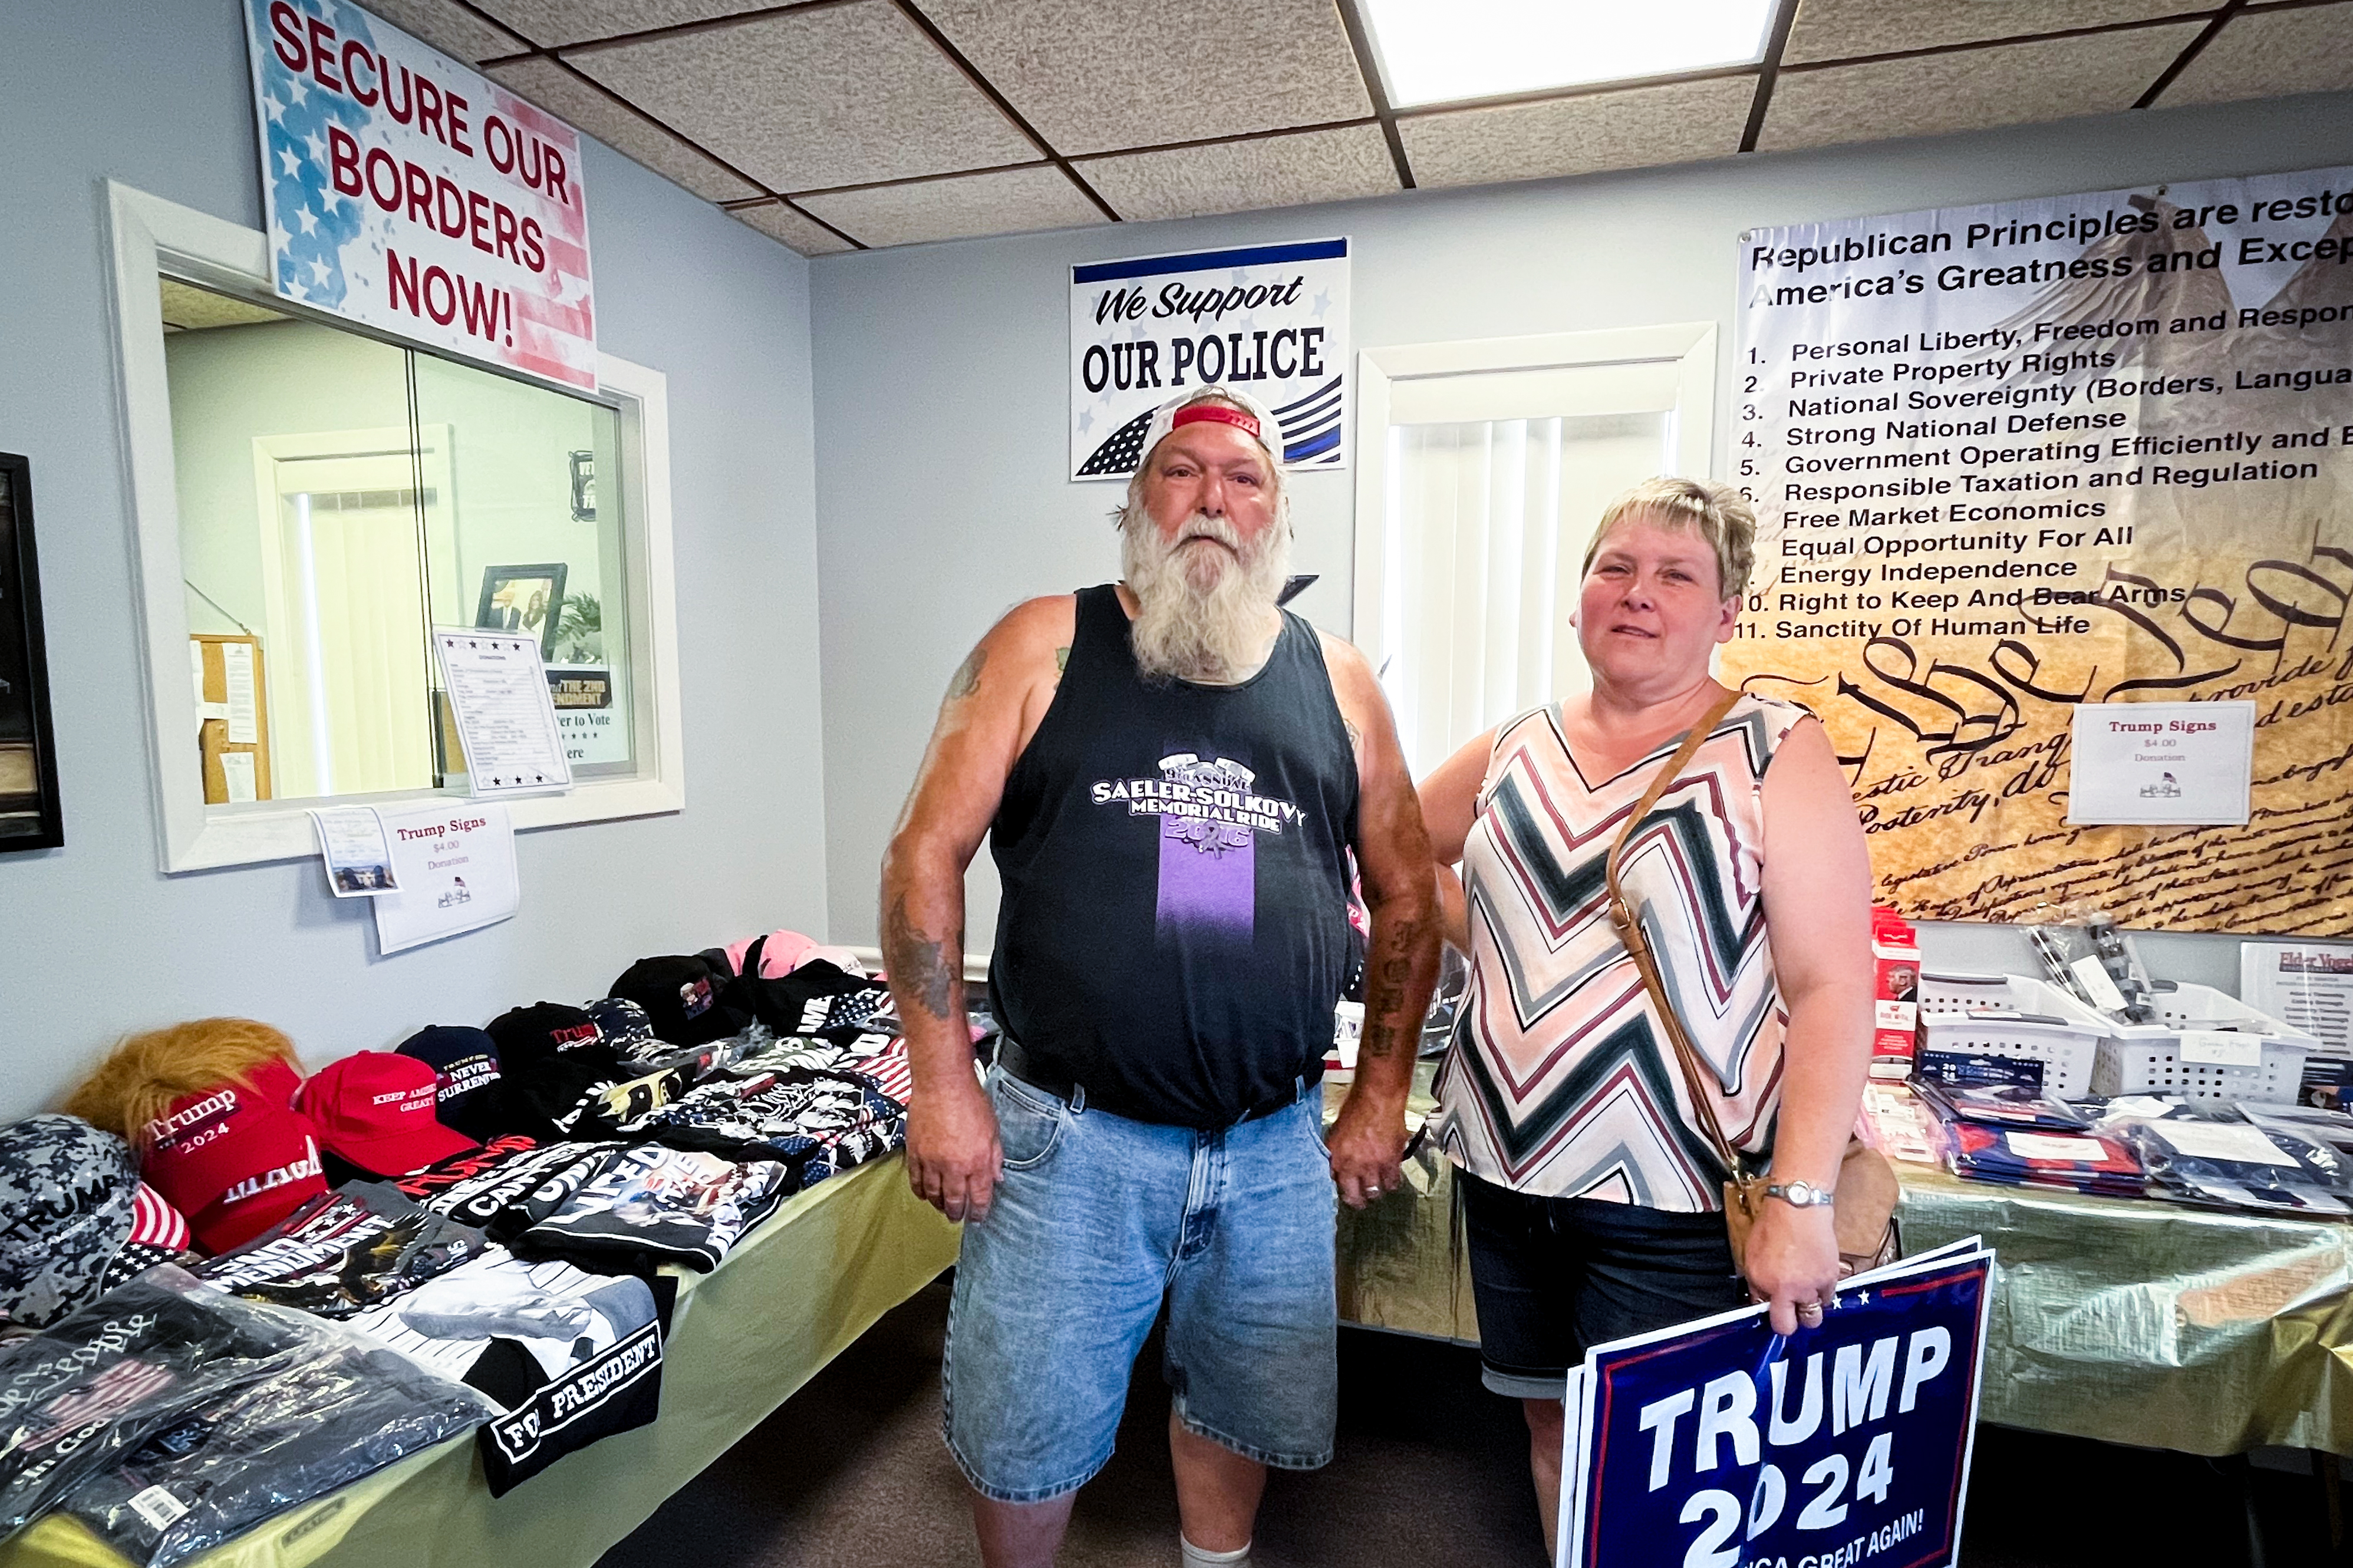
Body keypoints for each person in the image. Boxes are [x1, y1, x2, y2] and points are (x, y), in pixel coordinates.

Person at [880, 385, 1438, 1568]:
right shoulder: (1043, 640)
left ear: (1277, 515)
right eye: (1183, 471)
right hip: (1069, 1139)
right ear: (1139, 499)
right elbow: (923, 851)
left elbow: (1405, 888)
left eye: (1243, 478)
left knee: (1237, 1394)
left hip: (1270, 1138)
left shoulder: (1335, 679)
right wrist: (941, 1082)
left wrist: (1381, 1093)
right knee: (1025, 1417)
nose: (1212, 501)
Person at [1416, 476, 1874, 1562]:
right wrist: (1501, 934)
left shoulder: (1774, 748)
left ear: (1725, 615)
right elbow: (1396, 851)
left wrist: (1802, 1196)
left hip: (1673, 1191)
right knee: (1549, 1424)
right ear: (1577, 597)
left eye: (1677, 575)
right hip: (1507, 1167)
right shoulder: (1514, 742)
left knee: (1671, 1457)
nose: (1638, 593)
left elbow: (1832, 987)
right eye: (1615, 568)